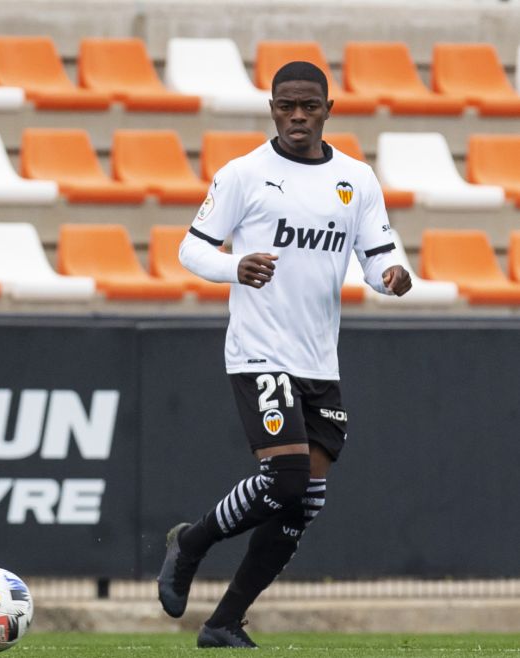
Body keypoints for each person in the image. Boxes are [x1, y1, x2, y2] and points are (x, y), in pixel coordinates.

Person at [159, 61, 412, 648]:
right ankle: (191, 543)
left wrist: (392, 276)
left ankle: (223, 621)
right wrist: (235, 268)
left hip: (319, 358)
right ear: (272, 108)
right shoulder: (243, 174)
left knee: (303, 501)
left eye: (309, 106)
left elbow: (377, 255)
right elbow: (191, 251)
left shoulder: (356, 178)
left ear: (328, 108)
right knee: (289, 475)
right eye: (286, 106)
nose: (297, 116)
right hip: (260, 350)